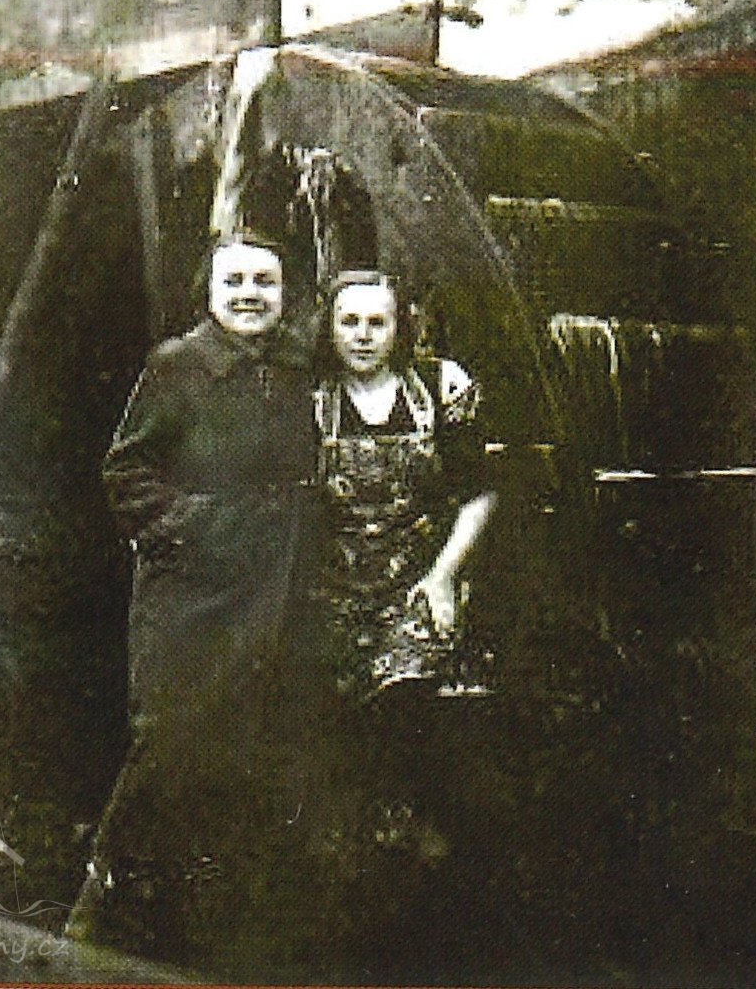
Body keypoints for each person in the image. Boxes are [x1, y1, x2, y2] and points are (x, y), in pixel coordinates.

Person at [69, 232, 322, 969]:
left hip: (276, 589)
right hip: (192, 594)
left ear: (285, 295)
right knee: (170, 740)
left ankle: (212, 923)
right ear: (208, 293)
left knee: (249, 746)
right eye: (234, 281)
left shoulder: (298, 367)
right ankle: (101, 905)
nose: (250, 295)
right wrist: (195, 528)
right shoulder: (177, 366)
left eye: (265, 282)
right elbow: (127, 473)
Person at [315, 269, 497, 702]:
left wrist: (443, 577)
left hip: (418, 586)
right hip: (330, 597)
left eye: (377, 323)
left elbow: (479, 492)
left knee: (408, 700)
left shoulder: (439, 390)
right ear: (329, 328)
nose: (363, 336)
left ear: (399, 328)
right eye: (349, 322)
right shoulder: (308, 398)